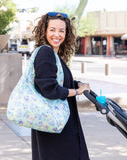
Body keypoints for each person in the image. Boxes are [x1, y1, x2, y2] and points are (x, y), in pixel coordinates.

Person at [31, 12, 90, 160]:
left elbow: (55, 81)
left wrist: (77, 84)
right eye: (52, 29)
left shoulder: (53, 55)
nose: (57, 34)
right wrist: (77, 91)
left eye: (61, 31)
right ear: (44, 31)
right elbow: (50, 89)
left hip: (55, 126)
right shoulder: (46, 53)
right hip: (55, 130)